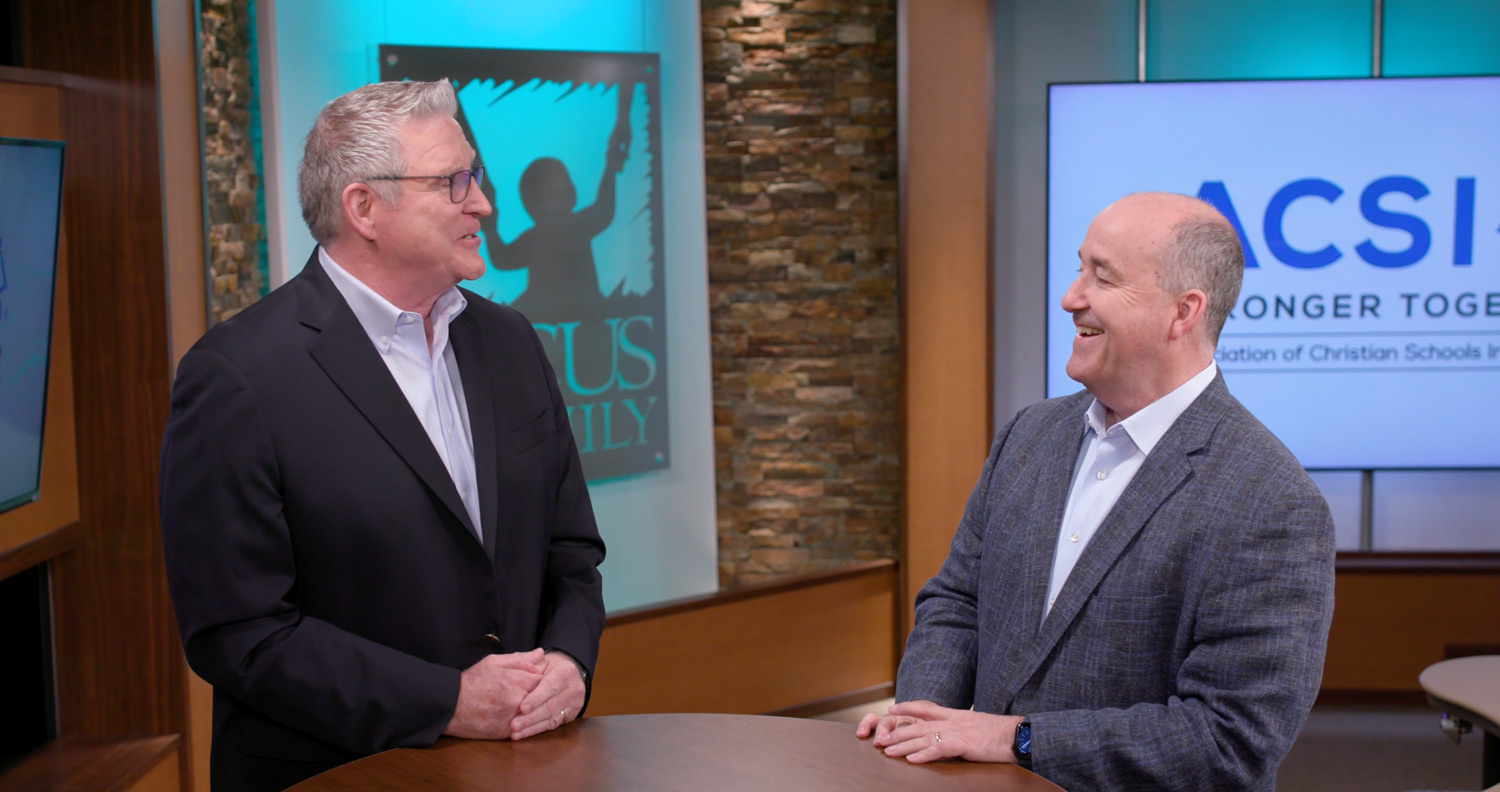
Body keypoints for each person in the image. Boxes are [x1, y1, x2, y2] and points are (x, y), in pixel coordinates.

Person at [160, 80, 606, 792]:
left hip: (524, 767)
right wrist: (448, 701)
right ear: (364, 206)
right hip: (341, 773)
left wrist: (569, 662)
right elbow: (238, 633)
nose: (483, 204)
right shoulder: (237, 375)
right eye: (453, 182)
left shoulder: (510, 340)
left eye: (477, 177)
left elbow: (572, 555)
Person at [857, 192, 1335, 791]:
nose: (1070, 297)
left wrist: (1017, 738)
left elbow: (1229, 738)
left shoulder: (1272, 500)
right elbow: (957, 602)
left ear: (1182, 312)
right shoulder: (1029, 435)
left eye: (1101, 277)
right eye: (1079, 267)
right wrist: (920, 722)